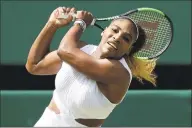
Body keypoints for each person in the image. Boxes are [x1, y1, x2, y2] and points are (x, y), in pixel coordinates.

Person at [26, 6, 157, 127]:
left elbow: (64, 50)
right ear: (104, 31)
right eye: (115, 30)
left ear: (129, 49)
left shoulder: (119, 72)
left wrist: (80, 23)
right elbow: (34, 65)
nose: (117, 37)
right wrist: (52, 24)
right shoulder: (80, 49)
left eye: (126, 39)